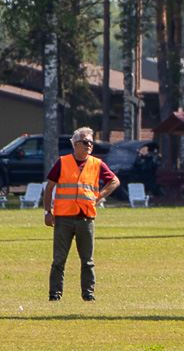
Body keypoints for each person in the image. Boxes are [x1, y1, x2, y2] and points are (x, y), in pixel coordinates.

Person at [40, 127, 120, 302]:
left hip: (86, 219)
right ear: (75, 144)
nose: (89, 145)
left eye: (91, 142)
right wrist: (47, 212)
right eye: (85, 142)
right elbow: (49, 187)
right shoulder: (62, 162)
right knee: (59, 260)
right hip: (63, 219)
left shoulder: (97, 163)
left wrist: (98, 196)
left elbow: (114, 181)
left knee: (88, 261)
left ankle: (88, 294)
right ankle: (55, 295)